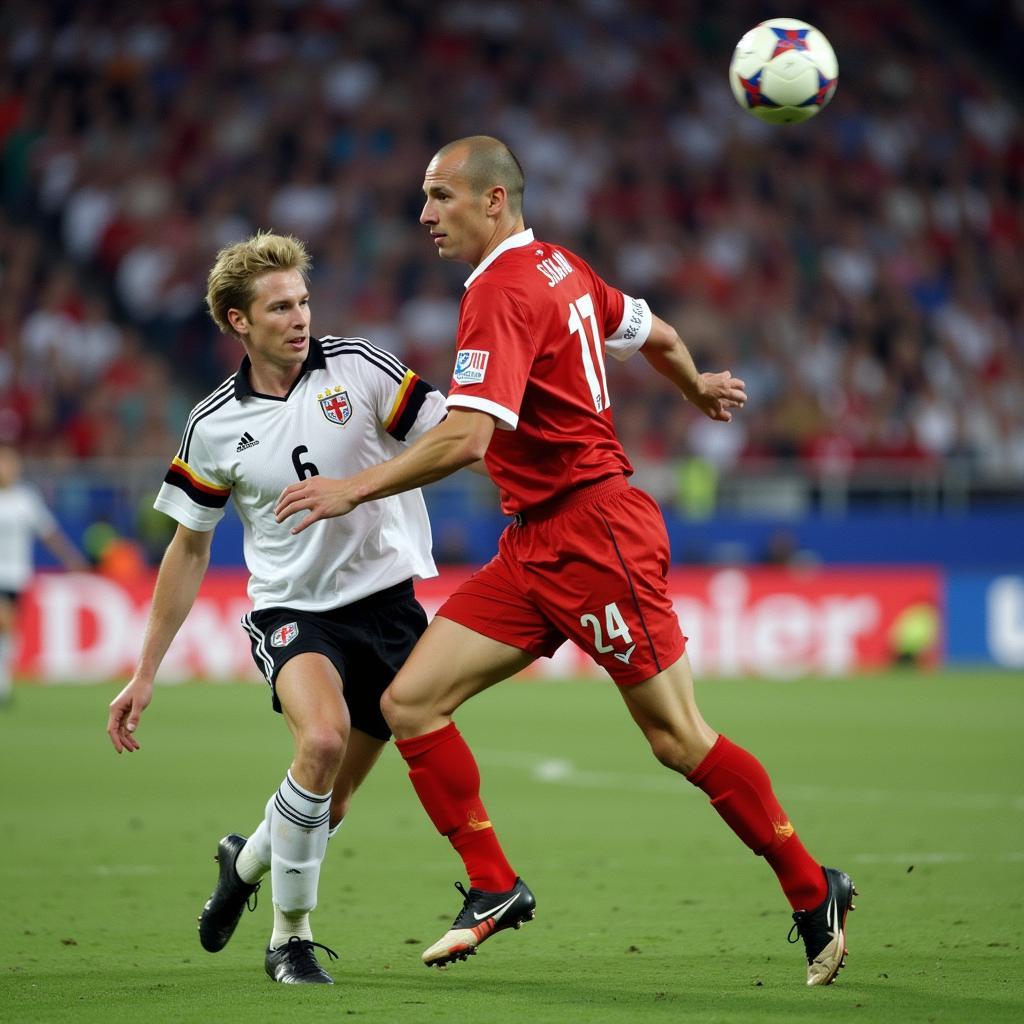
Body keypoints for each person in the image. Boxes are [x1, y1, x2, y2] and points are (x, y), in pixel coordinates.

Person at [273, 137, 857, 987]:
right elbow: (651, 330)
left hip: (595, 537)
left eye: (441, 197)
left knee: (677, 739)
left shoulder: (502, 292)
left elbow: (471, 437)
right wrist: (693, 385)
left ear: (494, 202)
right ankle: (493, 885)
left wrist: (352, 488)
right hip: (535, 543)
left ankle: (813, 890)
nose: (426, 215)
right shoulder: (561, 267)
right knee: (410, 701)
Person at [106, 232, 447, 984]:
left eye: (303, 301)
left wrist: (368, 483)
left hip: (390, 608)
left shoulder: (359, 367)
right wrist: (145, 671)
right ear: (238, 322)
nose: (299, 318)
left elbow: (455, 434)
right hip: (294, 613)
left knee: (329, 805)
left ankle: (245, 861)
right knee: (319, 743)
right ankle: (290, 938)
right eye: (279, 307)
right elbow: (188, 548)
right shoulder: (213, 423)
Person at [0, 442, 89, 704]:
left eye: (10, 463)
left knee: (8, 629)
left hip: (17, 574)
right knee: (3, 621)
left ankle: (4, 678)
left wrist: (71, 558)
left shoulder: (25, 499)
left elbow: (48, 532)